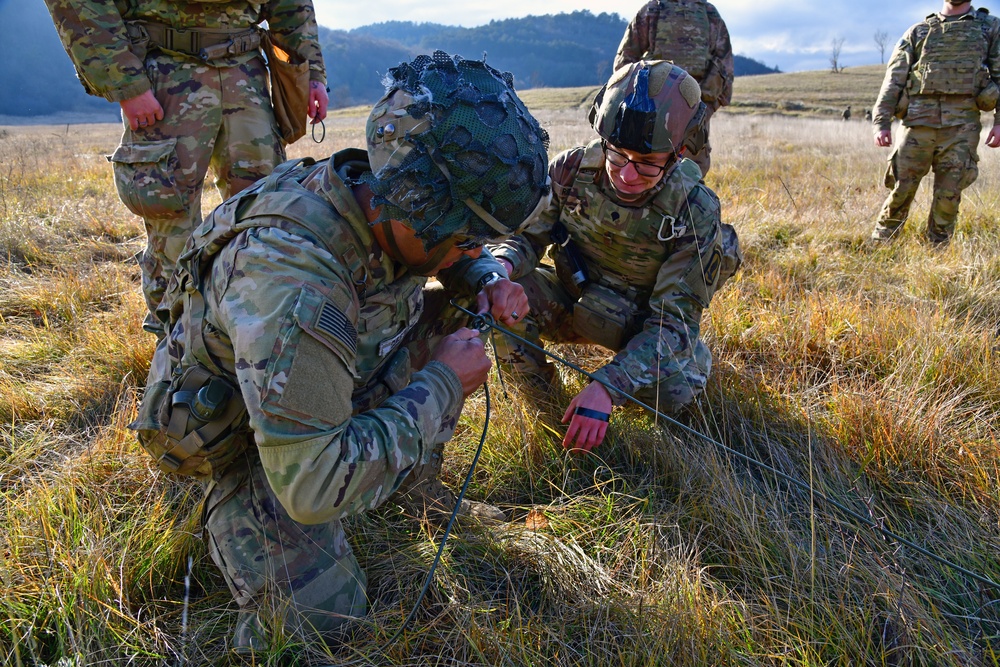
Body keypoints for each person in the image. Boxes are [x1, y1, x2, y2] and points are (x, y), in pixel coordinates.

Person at [128, 52, 550, 650]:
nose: (470, 250)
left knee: (455, 321)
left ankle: (400, 473)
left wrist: (483, 280)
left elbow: (438, 256)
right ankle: (233, 500)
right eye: (467, 240)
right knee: (326, 613)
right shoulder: (293, 278)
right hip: (240, 432)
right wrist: (444, 386)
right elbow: (312, 487)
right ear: (421, 210)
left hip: (323, 373)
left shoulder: (379, 189)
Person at [489, 60, 741, 454]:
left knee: (675, 398)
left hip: (642, 327)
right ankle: (546, 403)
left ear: (676, 157)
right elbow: (526, 240)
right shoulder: (573, 169)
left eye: (646, 165)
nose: (626, 174)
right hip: (573, 301)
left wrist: (608, 386)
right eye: (618, 155)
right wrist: (501, 266)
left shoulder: (694, 208)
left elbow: (672, 325)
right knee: (502, 297)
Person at [43, 0, 330, 333]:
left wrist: (311, 75)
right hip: (165, 69)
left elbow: (292, 5)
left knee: (265, 215)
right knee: (173, 226)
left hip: (246, 72)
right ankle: (176, 351)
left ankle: (251, 341)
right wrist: (124, 81)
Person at [871, 0, 1000, 244]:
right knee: (901, 189)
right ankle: (881, 244)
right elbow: (894, 79)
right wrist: (881, 122)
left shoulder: (991, 28)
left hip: (962, 128)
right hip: (917, 124)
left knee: (948, 195)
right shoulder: (919, 31)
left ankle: (938, 251)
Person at [614, 0, 734, 176]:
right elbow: (626, 62)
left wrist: (704, 107)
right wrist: (640, 99)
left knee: (690, 175)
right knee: (646, 169)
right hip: (652, 109)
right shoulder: (654, 9)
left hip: (694, 111)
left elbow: (723, 66)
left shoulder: (708, 13)